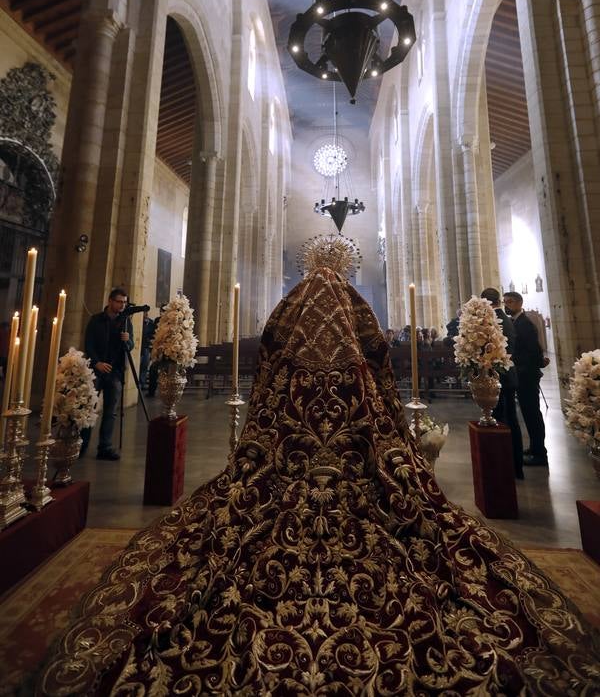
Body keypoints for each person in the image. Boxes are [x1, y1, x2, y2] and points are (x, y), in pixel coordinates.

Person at [37, 242, 600, 695]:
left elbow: (271, 362)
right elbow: (378, 358)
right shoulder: (357, 307)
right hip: (355, 458)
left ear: (310, 270)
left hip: (290, 456)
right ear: (343, 268)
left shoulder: (292, 307)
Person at [79, 287, 134, 461]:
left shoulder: (126, 322)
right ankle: (82, 445)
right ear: (110, 301)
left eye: (124, 302)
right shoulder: (96, 320)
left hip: (114, 372)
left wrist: (128, 340)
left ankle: (105, 446)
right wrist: (97, 363)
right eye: (119, 301)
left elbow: (130, 346)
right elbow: (89, 344)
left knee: (111, 411)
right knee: (89, 409)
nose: (122, 305)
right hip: (95, 371)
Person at [481, 287, 524, 479]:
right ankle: (507, 462)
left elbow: (502, 350)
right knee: (503, 419)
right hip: (504, 376)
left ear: (487, 303)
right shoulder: (502, 319)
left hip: (503, 377)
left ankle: (514, 465)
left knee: (508, 421)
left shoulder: (498, 320)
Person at [504, 290, 549, 467]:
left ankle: (540, 453)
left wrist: (537, 362)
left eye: (509, 302)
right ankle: (534, 447)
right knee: (528, 413)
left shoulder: (525, 324)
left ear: (518, 303)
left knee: (532, 414)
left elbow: (534, 351)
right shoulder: (516, 322)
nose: (506, 305)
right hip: (522, 374)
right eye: (505, 301)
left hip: (527, 375)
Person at [139, 310, 155, 391]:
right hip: (139, 346)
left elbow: (153, 334)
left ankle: (142, 383)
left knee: (144, 365)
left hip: (146, 347)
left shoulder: (150, 322)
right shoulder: (138, 321)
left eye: (146, 312)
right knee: (138, 365)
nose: (145, 314)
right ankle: (137, 383)